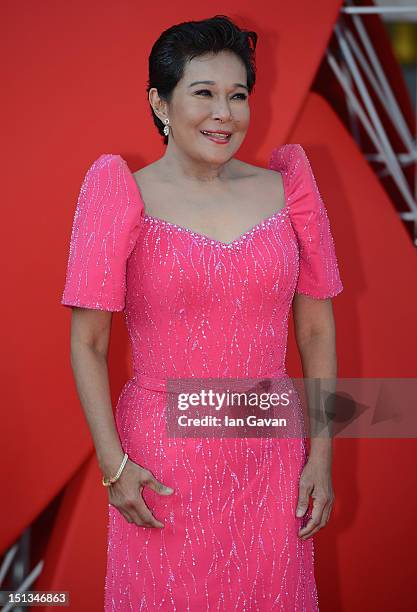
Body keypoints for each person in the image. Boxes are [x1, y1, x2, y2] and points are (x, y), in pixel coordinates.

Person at [61, 14, 343, 611]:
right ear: (160, 103)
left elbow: (315, 328)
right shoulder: (120, 192)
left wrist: (321, 453)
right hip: (163, 467)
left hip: (271, 458)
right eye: (204, 93)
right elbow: (88, 343)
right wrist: (114, 466)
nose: (225, 113)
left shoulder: (289, 188)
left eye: (238, 95)